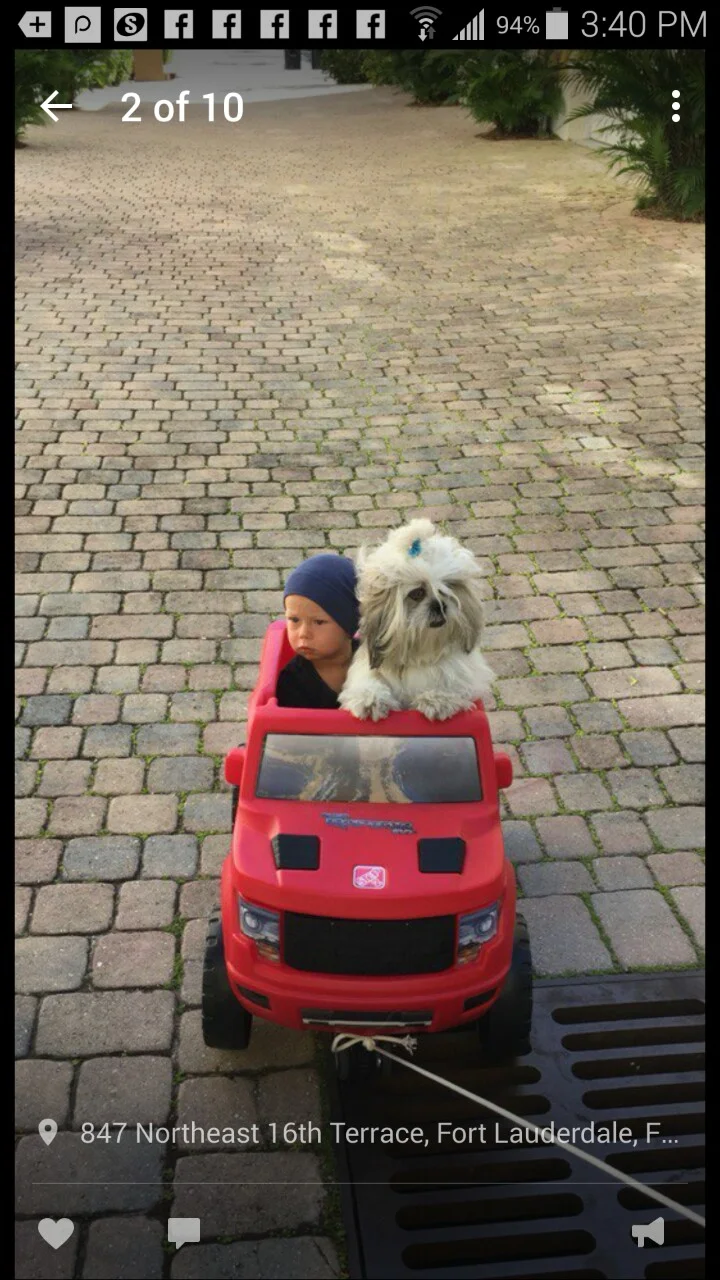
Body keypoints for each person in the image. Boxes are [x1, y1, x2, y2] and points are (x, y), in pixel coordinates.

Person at [276, 554, 360, 708]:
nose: (303, 633)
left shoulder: (372, 661)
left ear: (348, 624)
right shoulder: (291, 682)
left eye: (318, 622)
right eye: (294, 620)